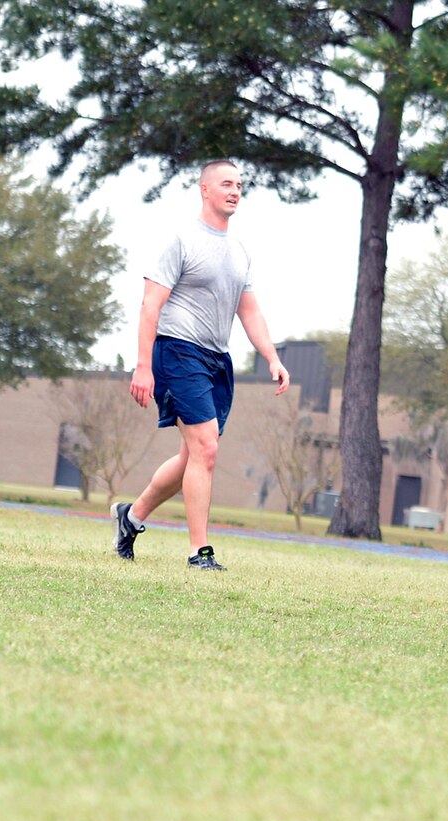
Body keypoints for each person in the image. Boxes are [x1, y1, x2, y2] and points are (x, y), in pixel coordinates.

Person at [111, 160, 289, 569]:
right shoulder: (181, 239)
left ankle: (131, 517)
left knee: (194, 456)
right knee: (206, 449)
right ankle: (199, 552)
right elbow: (149, 305)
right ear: (205, 189)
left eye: (240, 185)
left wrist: (272, 357)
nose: (235, 191)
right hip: (177, 350)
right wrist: (143, 366)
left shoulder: (240, 250)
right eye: (227, 183)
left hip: (217, 359)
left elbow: (250, 312)